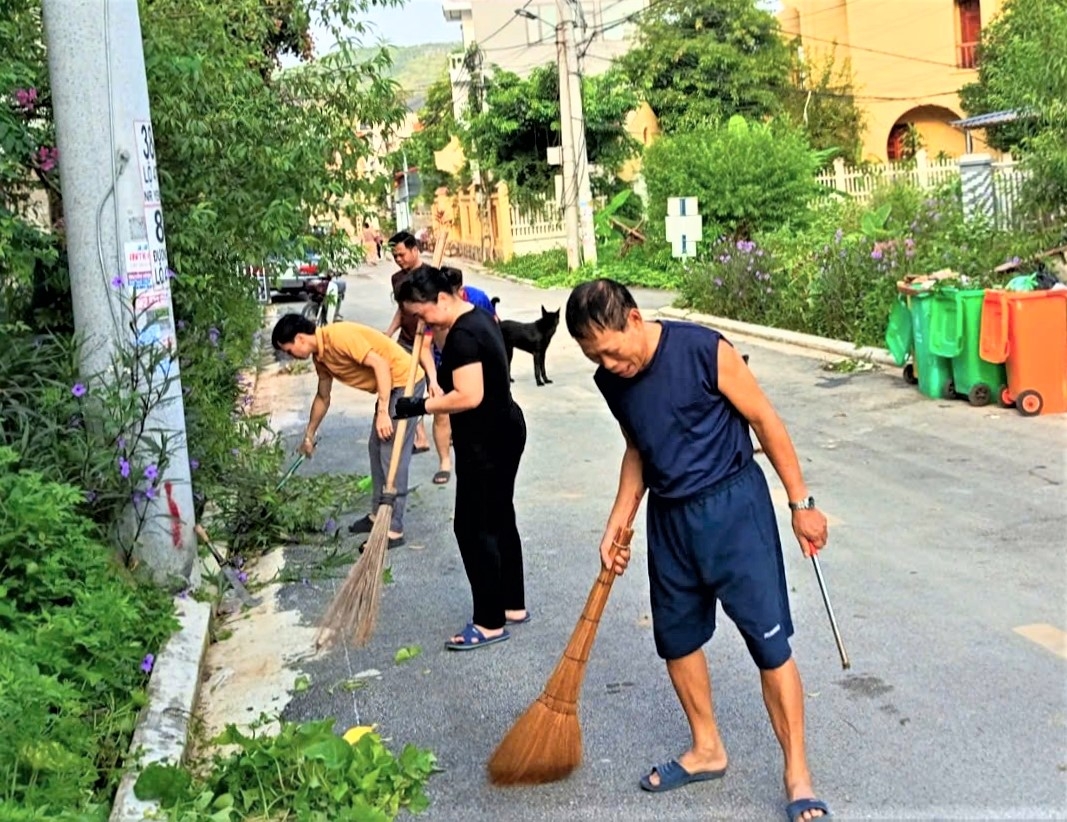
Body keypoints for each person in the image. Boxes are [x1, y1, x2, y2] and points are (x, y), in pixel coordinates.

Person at [564, 279, 832, 822]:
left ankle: (798, 774)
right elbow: (638, 447)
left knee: (769, 644)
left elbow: (765, 420)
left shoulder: (704, 351)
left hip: (734, 509)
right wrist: (618, 520)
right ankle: (707, 747)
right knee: (677, 639)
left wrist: (800, 502)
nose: (609, 365)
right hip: (670, 519)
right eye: (595, 358)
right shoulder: (611, 380)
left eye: (611, 351)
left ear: (633, 319)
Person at [393, 266, 528, 650]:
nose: (420, 323)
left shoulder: (464, 336)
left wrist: (419, 405)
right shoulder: (478, 317)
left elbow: (469, 396)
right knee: (500, 517)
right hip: (505, 429)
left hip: (486, 442)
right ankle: (512, 604)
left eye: (421, 314)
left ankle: (489, 622)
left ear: (440, 299)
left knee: (472, 528)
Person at [271, 313, 423, 550]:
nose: (291, 356)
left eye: (289, 350)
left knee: (391, 453)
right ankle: (378, 514)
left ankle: (394, 528)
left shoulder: (338, 337)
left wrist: (383, 411)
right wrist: (309, 434)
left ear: (300, 339)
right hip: (390, 386)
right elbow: (323, 397)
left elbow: (381, 365)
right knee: (376, 448)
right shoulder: (321, 358)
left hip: (405, 382)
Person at [384, 231, 451, 485]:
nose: (399, 259)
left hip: (429, 342)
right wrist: (388, 333)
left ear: (414, 250)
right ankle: (419, 436)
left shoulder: (432, 276)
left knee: (437, 396)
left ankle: (444, 459)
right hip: (406, 342)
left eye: (402, 254)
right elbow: (401, 312)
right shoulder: (397, 279)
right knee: (404, 391)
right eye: (395, 256)